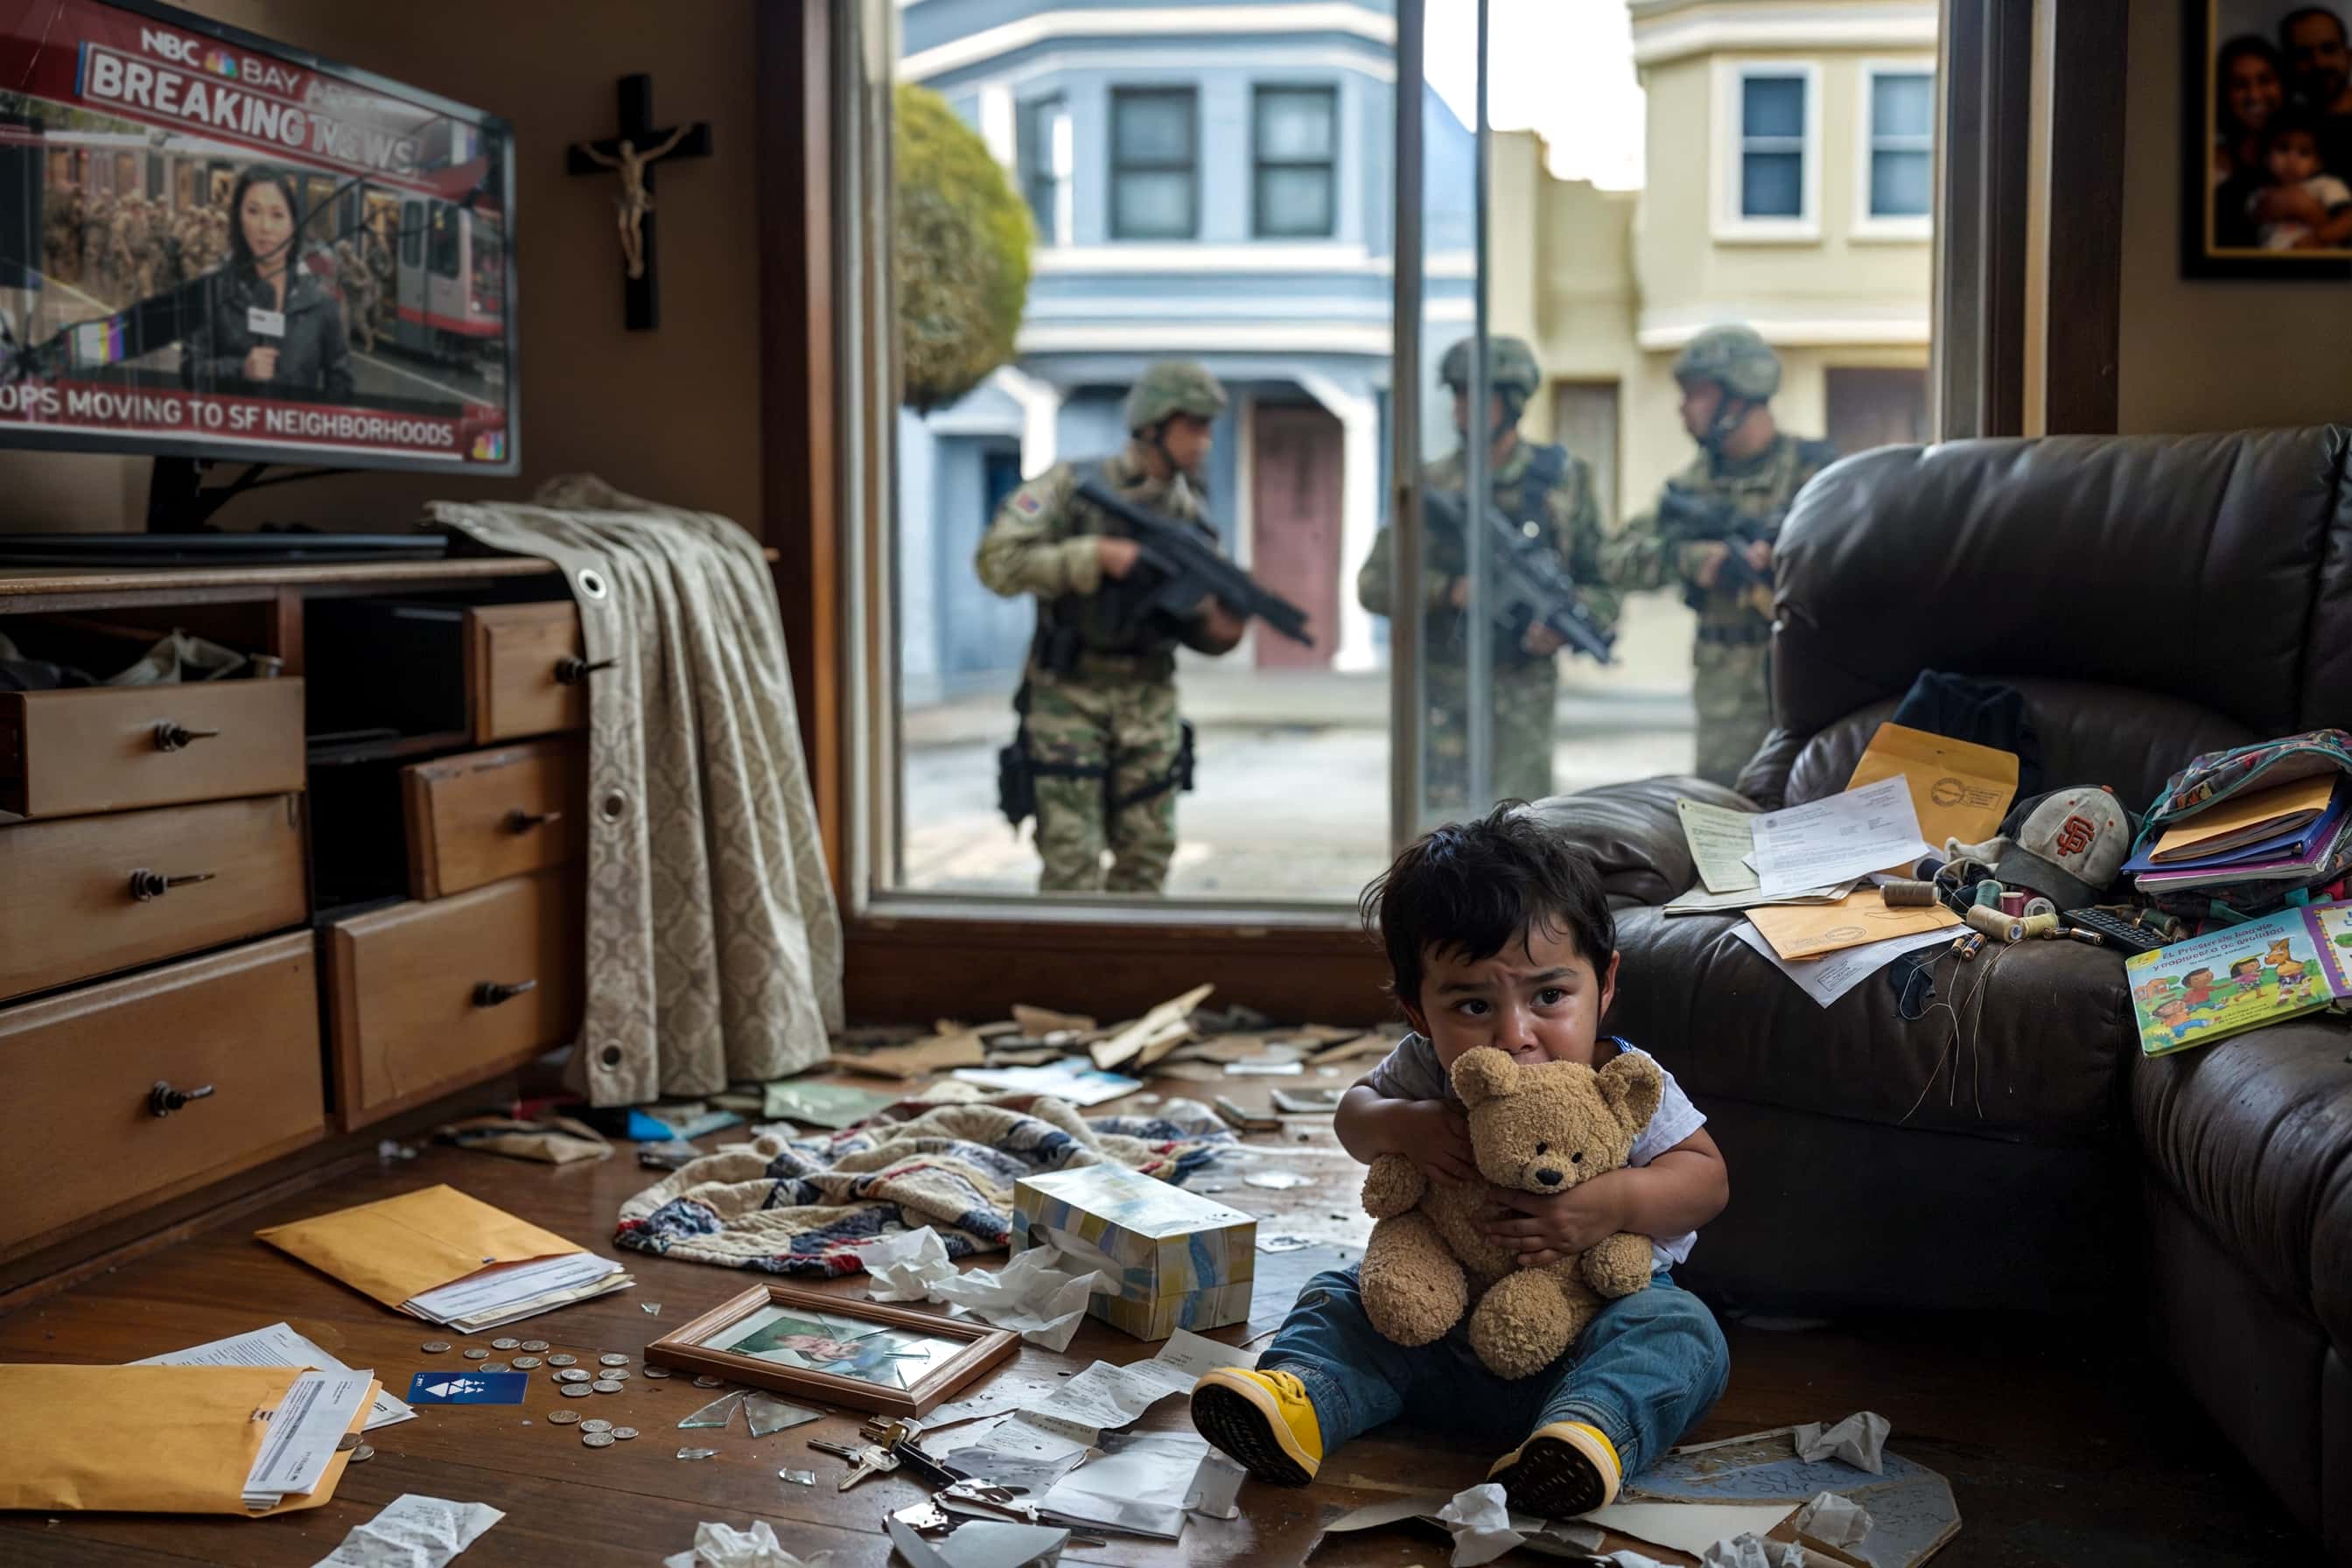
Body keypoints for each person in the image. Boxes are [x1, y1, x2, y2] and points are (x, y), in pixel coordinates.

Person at [1190, 805, 1729, 1518]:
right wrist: (1399, 1124)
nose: (1515, 1035)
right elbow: (1352, 1118)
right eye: (1473, 1005)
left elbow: (1707, 1179)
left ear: (1604, 983)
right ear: (1418, 1013)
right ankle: (1301, 1403)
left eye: (1549, 996)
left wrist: (1619, 1201)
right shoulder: (1423, 1069)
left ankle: (1587, 1432)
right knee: (1337, 1295)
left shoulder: (1622, 1081)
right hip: (1432, 1331)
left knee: (1682, 1333)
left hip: (1582, 1329)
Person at [974, 360, 1247, 894]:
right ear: (1152, 427)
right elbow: (997, 562)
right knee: (1071, 871)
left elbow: (1198, 632)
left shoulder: (1192, 520)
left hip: (1148, 706)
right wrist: (1092, 556)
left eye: (1209, 428)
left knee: (1145, 869)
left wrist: (1221, 627)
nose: (1205, 442)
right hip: (1067, 700)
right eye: (1194, 426)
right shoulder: (1070, 487)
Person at [1356, 335, 1616, 809]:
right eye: (1455, 394)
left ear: (1511, 403)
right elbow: (1373, 586)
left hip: (1523, 714)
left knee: (1522, 846)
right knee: (1439, 850)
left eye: (1473, 394)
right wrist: (1449, 591)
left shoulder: (1564, 480)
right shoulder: (1430, 485)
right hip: (1444, 707)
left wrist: (1563, 628)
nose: (1460, 406)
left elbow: (1602, 583)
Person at [1603, 325, 1838, 789]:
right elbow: (1615, 558)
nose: (1683, 408)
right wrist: (1693, 561)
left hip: (1810, 681)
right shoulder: (1688, 490)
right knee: (1726, 819)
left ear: (1738, 397)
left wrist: (1787, 556)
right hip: (1726, 698)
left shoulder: (1816, 473)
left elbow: (1867, 558)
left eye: (1696, 394)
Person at [181, 165, 354, 401]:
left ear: (293, 224)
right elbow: (190, 373)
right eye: (253, 211)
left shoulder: (320, 298)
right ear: (238, 218)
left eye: (277, 215)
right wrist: (240, 369)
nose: (266, 227)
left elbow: (340, 381)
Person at [2214, 35, 2288, 247]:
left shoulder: (2309, 157)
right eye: (2240, 85)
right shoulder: (2208, 167)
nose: (2254, 95)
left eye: (2265, 81)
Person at [2249, 110, 2352, 248]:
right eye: (2283, 149)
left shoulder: (2326, 185)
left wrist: (2318, 238)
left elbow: (2348, 219)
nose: (2292, 160)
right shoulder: (2260, 192)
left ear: (2317, 163)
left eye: (2304, 153)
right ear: (2266, 157)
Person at [2281, 6, 2352, 178]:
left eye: (2328, 49)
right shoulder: (2284, 129)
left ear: (2348, 56)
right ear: (2288, 64)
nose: (2318, 63)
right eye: (2303, 54)